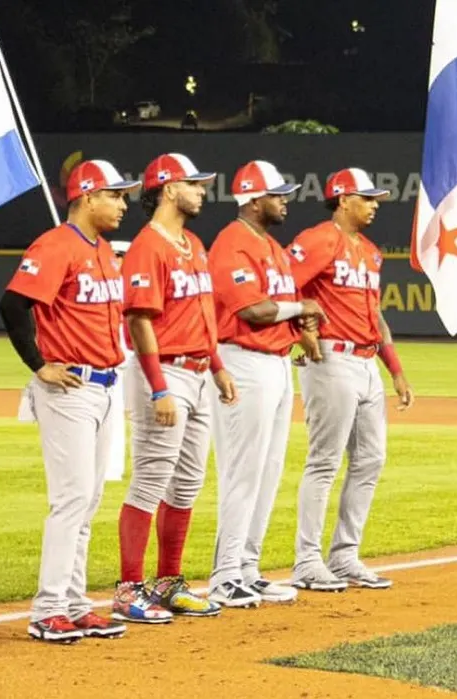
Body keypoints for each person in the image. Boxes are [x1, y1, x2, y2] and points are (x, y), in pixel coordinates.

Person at [0, 159, 140, 643]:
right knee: (72, 499)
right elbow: (13, 304)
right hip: (69, 389)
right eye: (114, 195)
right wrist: (39, 363)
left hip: (104, 386)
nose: (123, 204)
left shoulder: (101, 249)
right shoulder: (56, 245)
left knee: (91, 498)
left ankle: (76, 604)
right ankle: (48, 609)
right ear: (85, 197)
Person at [113, 153, 238, 624]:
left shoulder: (192, 243)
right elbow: (139, 319)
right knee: (150, 478)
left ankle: (168, 581)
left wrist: (218, 365)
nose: (203, 191)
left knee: (186, 484)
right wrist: (158, 387)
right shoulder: (149, 247)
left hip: (199, 372)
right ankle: (128, 589)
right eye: (194, 183)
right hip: (163, 372)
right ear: (168, 188)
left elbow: (202, 315)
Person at [286, 167, 414, 592]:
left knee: (371, 459)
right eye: (367, 197)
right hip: (332, 360)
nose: (375, 204)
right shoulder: (319, 239)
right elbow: (282, 286)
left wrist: (394, 369)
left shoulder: (371, 252)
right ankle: (307, 561)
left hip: (366, 362)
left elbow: (375, 315)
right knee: (324, 461)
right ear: (343, 200)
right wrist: (303, 335)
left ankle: (344, 556)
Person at [206, 160, 325, 608]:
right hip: (242, 362)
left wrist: (301, 331)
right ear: (254, 200)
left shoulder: (272, 247)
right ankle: (224, 575)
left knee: (269, 471)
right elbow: (251, 310)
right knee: (242, 471)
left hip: (275, 363)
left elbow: (283, 307)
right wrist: (301, 310)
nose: (285, 200)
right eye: (277, 194)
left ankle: (248, 569)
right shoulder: (232, 243)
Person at [105, 239, 134, 483]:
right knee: (112, 411)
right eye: (113, 255)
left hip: (138, 353)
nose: (116, 260)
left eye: (120, 255)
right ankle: (111, 469)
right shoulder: (104, 283)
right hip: (114, 354)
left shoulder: (136, 284)